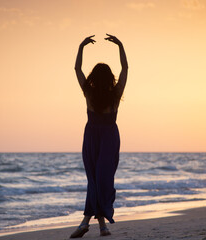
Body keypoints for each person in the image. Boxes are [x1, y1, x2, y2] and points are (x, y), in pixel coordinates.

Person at [70, 34, 128, 238]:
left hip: (95, 137)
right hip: (107, 137)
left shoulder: (90, 93)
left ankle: (86, 221)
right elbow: (125, 70)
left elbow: (77, 69)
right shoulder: (112, 93)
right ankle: (102, 227)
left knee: (99, 180)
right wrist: (120, 46)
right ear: (109, 77)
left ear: (94, 77)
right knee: (98, 180)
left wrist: (81, 47)